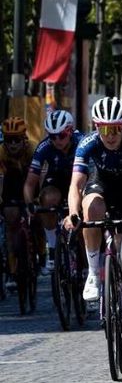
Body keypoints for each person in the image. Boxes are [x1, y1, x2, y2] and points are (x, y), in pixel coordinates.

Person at [64, 98, 122, 355]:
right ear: (96, 127)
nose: (110, 135)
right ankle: (93, 273)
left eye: (116, 129)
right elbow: (76, 185)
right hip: (100, 186)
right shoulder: (87, 143)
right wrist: (73, 213)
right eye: (104, 129)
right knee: (90, 208)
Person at [23, 111, 82, 274]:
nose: (57, 140)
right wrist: (29, 204)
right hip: (56, 180)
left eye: (61, 135)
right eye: (52, 136)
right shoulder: (44, 147)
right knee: (48, 199)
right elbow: (29, 183)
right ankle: (53, 246)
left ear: (70, 131)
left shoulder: (81, 142)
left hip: (79, 180)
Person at [2, 117, 37, 288]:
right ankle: (12, 269)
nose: (13, 144)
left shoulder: (33, 149)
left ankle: (42, 254)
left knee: (38, 216)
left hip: (31, 182)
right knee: (11, 222)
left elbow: (40, 176)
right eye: (9, 140)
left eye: (16, 139)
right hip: (11, 184)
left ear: (24, 139)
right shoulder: (1, 152)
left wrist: (38, 199)